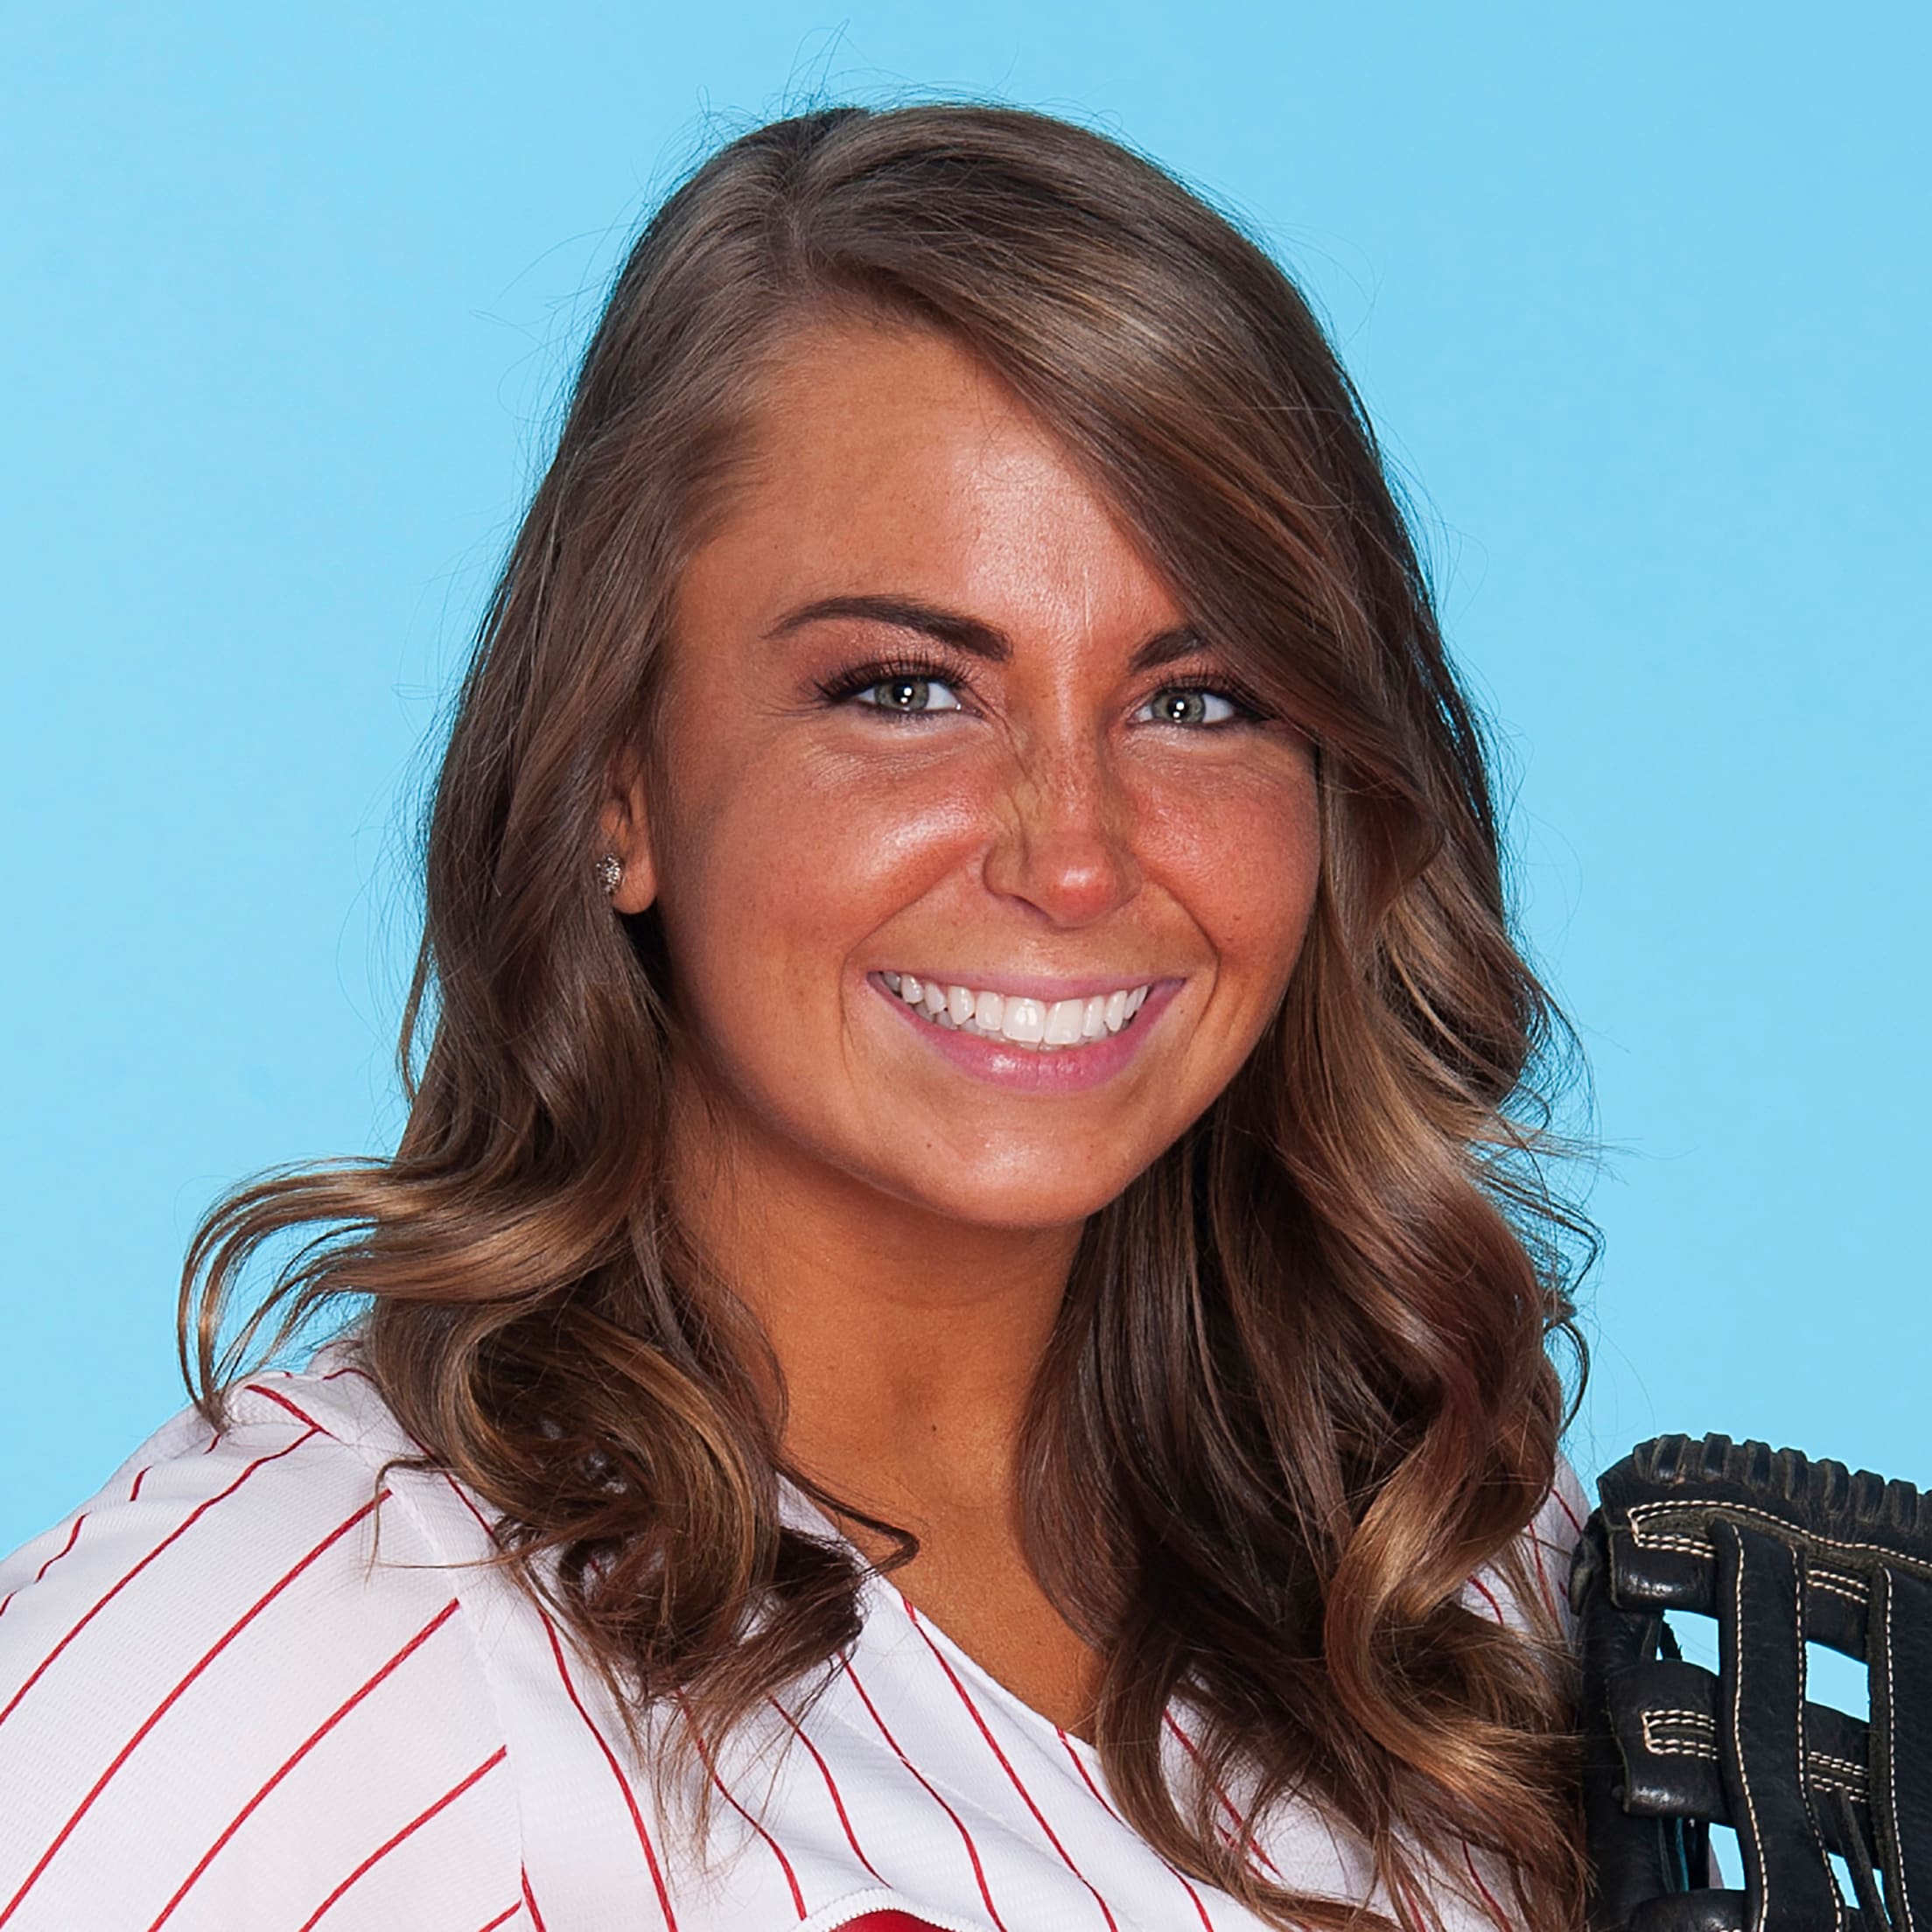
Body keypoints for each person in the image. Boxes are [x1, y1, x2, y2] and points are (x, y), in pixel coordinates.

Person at [0, 102, 1595, 1932]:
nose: (1072, 856)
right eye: (907, 689)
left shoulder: (1458, 1573)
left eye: (1205, 699)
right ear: (616, 781)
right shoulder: (320, 1632)